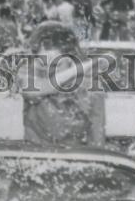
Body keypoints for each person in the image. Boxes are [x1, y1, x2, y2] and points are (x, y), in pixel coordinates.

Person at [19, 21, 105, 149]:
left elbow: (97, 138)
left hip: (74, 160)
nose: (50, 71)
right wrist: (85, 66)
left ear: (72, 60)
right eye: (44, 64)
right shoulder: (30, 74)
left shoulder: (90, 87)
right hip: (35, 158)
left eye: (57, 64)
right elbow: (32, 92)